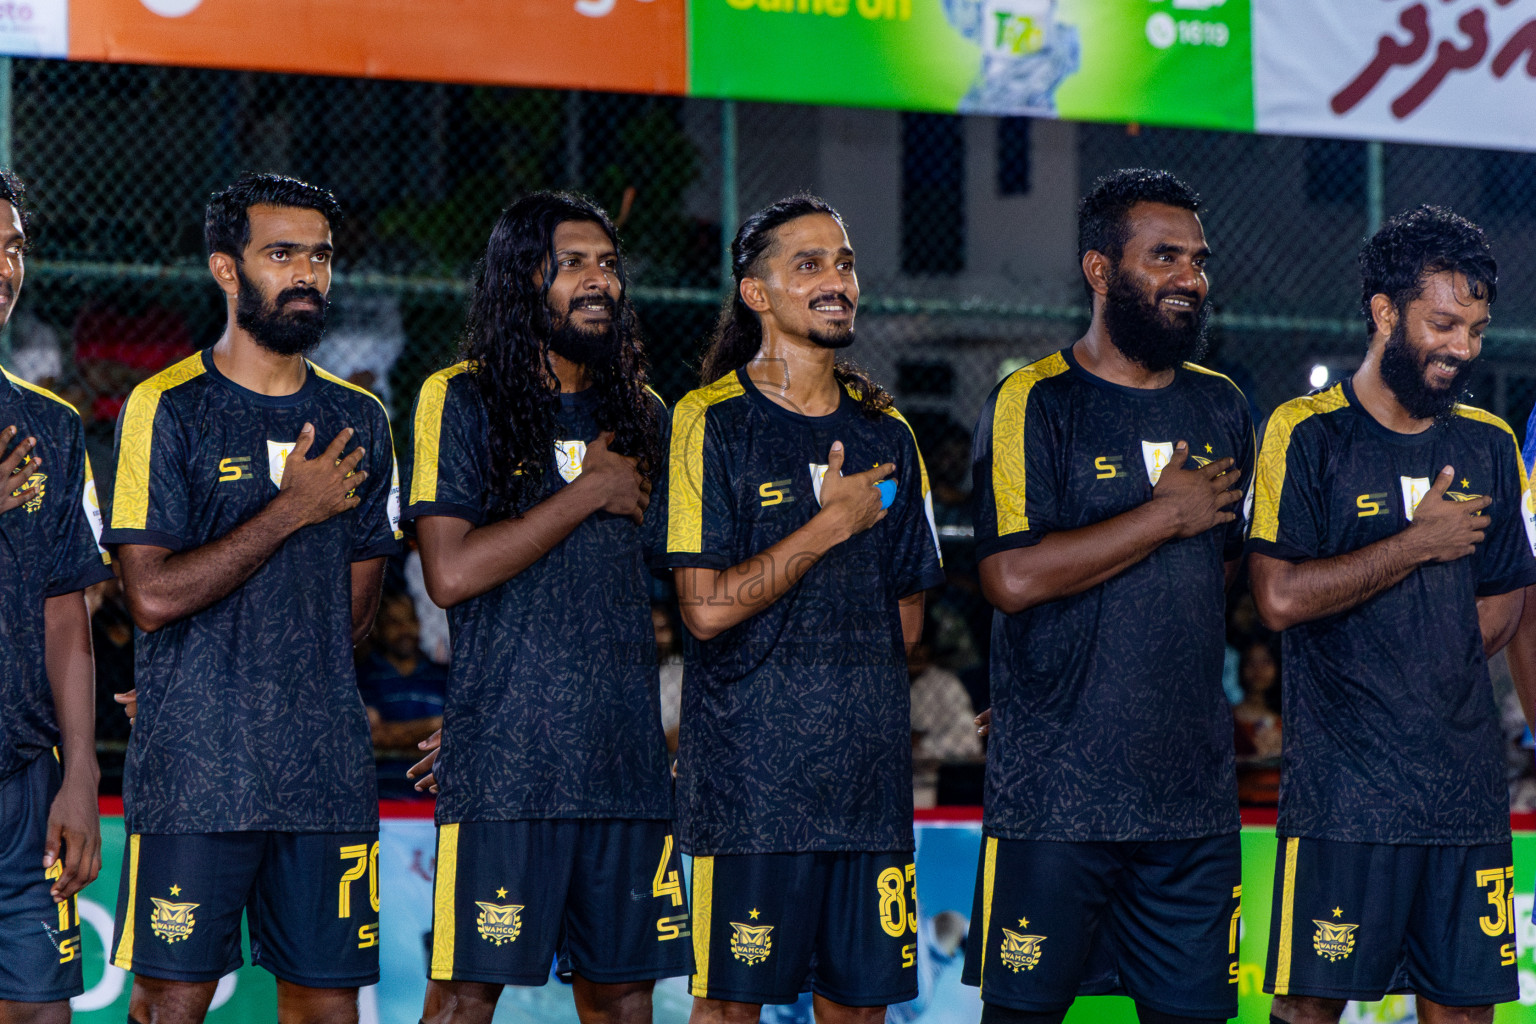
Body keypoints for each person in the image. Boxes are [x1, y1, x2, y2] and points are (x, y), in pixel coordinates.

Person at [103, 173, 401, 1024]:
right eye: (282, 254)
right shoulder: (163, 407)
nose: (307, 273)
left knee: (328, 1007)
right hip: (197, 770)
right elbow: (150, 598)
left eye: (320, 256)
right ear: (227, 271)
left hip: (325, 773)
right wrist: (293, 510)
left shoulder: (362, 421)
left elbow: (350, 621)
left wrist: (244, 662)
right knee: (171, 1003)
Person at [966, 168, 1252, 1024]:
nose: (1188, 278)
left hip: (1190, 804)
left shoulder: (1224, 403)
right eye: (1163, 256)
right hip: (1054, 797)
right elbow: (1009, 579)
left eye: (1197, 260)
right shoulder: (1033, 400)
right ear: (1100, 271)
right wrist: (1163, 518)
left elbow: (1220, 574)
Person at [404, 191, 684, 1024]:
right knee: (461, 1000)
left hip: (623, 766)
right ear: (524, 279)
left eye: (608, 264)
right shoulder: (460, 399)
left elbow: (673, 593)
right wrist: (588, 489)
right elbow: (449, 573)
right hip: (507, 767)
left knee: (627, 1001)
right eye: (574, 264)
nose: (599, 281)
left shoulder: (646, 415)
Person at [1250, 206, 1534, 1022]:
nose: (1463, 348)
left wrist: (1430, 655)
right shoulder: (1304, 435)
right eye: (1444, 323)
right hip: (1345, 796)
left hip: (1465, 794)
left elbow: (1509, 596)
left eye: (1477, 328)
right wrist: (1416, 546)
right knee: (1308, 1010)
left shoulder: (1487, 443)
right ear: (1384, 312)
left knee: (1466, 1010)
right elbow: (1276, 598)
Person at [665, 194, 945, 1024]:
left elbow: (909, 624)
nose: (838, 281)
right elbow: (705, 612)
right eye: (810, 264)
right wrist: (828, 526)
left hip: (867, 792)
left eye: (847, 263)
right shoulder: (707, 420)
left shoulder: (888, 431)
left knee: (860, 1012)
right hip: (749, 791)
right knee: (728, 1014)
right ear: (757, 294)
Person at [0, 170, 113, 1023]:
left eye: (13, 250)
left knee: (41, 1012)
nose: (6, 270)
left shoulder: (51, 427)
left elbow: (65, 611)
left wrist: (81, 776)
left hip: (22, 787)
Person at [356, 589, 447, 751]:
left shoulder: (445, 676)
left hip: (436, 776)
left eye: (410, 619)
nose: (404, 629)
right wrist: (436, 725)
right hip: (384, 776)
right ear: (377, 629)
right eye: (394, 622)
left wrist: (397, 732)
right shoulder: (363, 678)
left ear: (419, 624)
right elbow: (371, 736)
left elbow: (463, 731)